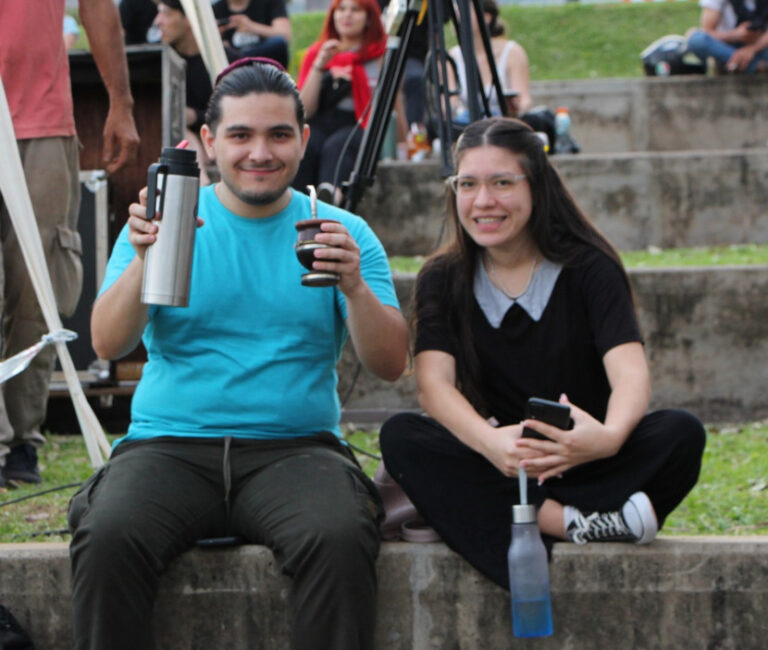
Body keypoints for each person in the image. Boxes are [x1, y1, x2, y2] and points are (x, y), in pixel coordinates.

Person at [68, 58, 407, 649]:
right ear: (209, 142)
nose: (260, 153)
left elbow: (390, 364)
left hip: (295, 450)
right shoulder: (163, 222)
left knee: (338, 536)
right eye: (240, 135)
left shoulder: (339, 231)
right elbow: (106, 343)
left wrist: (354, 286)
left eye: (278, 135)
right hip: (168, 444)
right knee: (108, 533)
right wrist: (147, 259)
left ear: (303, 140)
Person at [379, 117, 706, 589]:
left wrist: (608, 438)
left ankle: (527, 523)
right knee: (404, 438)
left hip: (584, 458)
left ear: (537, 186)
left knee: (680, 433)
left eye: (502, 183)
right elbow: (433, 386)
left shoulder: (589, 266)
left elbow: (630, 373)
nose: (483, 201)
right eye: (467, 184)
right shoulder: (443, 277)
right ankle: (571, 525)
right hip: (500, 465)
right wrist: (493, 446)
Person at [0, 0, 139, 489]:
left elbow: (97, 6)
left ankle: (20, 439)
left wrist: (121, 103)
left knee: (39, 288)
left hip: (41, 120)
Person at [292, 0, 387, 199]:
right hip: (321, 121)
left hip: (358, 123)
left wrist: (401, 142)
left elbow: (393, 103)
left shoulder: (381, 55)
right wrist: (320, 67)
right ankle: (296, 201)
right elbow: (304, 111)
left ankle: (330, 196)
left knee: (337, 146)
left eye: (355, 10)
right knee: (307, 144)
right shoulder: (319, 53)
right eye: (341, 9)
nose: (347, 15)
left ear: (369, 18)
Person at [154, 0, 235, 185]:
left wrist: (195, 117)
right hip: (182, 141)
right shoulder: (158, 64)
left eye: (166, 13)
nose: (158, 21)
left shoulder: (223, 61)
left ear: (189, 19)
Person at [448, 0, 532, 123]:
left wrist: (517, 106)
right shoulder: (453, 56)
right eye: (456, 12)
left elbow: (524, 99)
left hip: (503, 124)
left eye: (463, 11)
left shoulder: (513, 52)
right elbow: (449, 101)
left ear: (486, 17)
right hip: (467, 126)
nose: (457, 17)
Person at [687, 0, 768, 73]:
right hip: (727, 46)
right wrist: (736, 35)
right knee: (697, 40)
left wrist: (752, 49)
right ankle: (754, 66)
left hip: (761, 46)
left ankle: (732, 64)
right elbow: (707, 30)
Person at [213, 0, 290, 69]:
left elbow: (284, 35)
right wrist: (216, 35)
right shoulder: (215, 10)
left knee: (278, 42)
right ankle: (239, 60)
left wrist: (251, 27)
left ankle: (240, 60)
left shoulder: (271, 2)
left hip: (266, 62)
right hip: (233, 66)